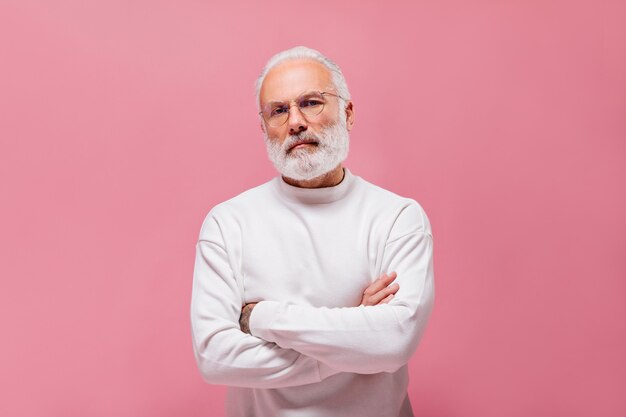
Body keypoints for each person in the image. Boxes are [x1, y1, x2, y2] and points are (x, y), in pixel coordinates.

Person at [190, 46, 435, 417]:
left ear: (348, 113)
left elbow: (394, 341)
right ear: (263, 127)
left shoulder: (398, 217)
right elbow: (214, 357)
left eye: (311, 102)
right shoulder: (229, 223)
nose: (296, 122)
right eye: (278, 110)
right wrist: (353, 340)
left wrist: (261, 318)